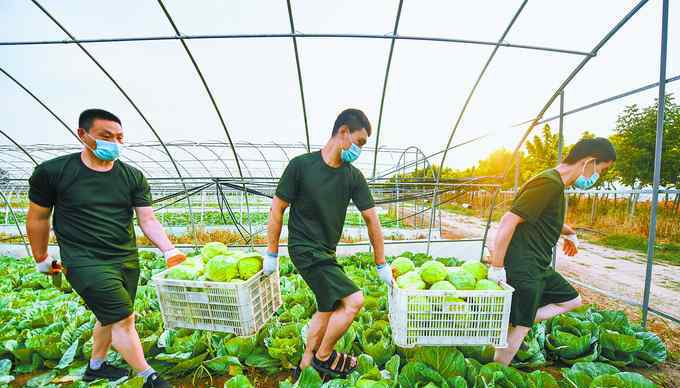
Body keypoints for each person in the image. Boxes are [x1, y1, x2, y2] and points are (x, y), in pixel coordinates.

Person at [27, 109, 186, 387]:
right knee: (124, 318)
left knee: (109, 316)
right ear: (83, 135)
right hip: (84, 260)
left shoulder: (132, 176)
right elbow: (38, 218)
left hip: (125, 258)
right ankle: (149, 377)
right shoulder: (53, 172)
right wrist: (41, 257)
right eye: (106, 136)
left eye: (119, 137)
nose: (114, 142)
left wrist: (169, 249)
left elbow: (147, 219)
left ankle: (96, 367)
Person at [264, 108, 393, 377]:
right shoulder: (301, 166)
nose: (359, 150)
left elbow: (372, 220)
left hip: (325, 252)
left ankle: (305, 365)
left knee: (328, 307)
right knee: (354, 300)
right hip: (304, 248)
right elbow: (278, 209)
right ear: (343, 132)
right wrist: (271, 254)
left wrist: (381, 263)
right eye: (359, 142)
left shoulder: (352, 176)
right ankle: (324, 356)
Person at [488, 137, 616, 365]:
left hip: (537, 265)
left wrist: (570, 232)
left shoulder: (554, 183)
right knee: (519, 332)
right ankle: (494, 372)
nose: (596, 177)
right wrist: (497, 266)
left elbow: (542, 219)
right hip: (525, 265)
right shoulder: (549, 183)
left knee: (572, 300)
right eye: (600, 170)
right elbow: (508, 220)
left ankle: (516, 319)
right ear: (589, 162)